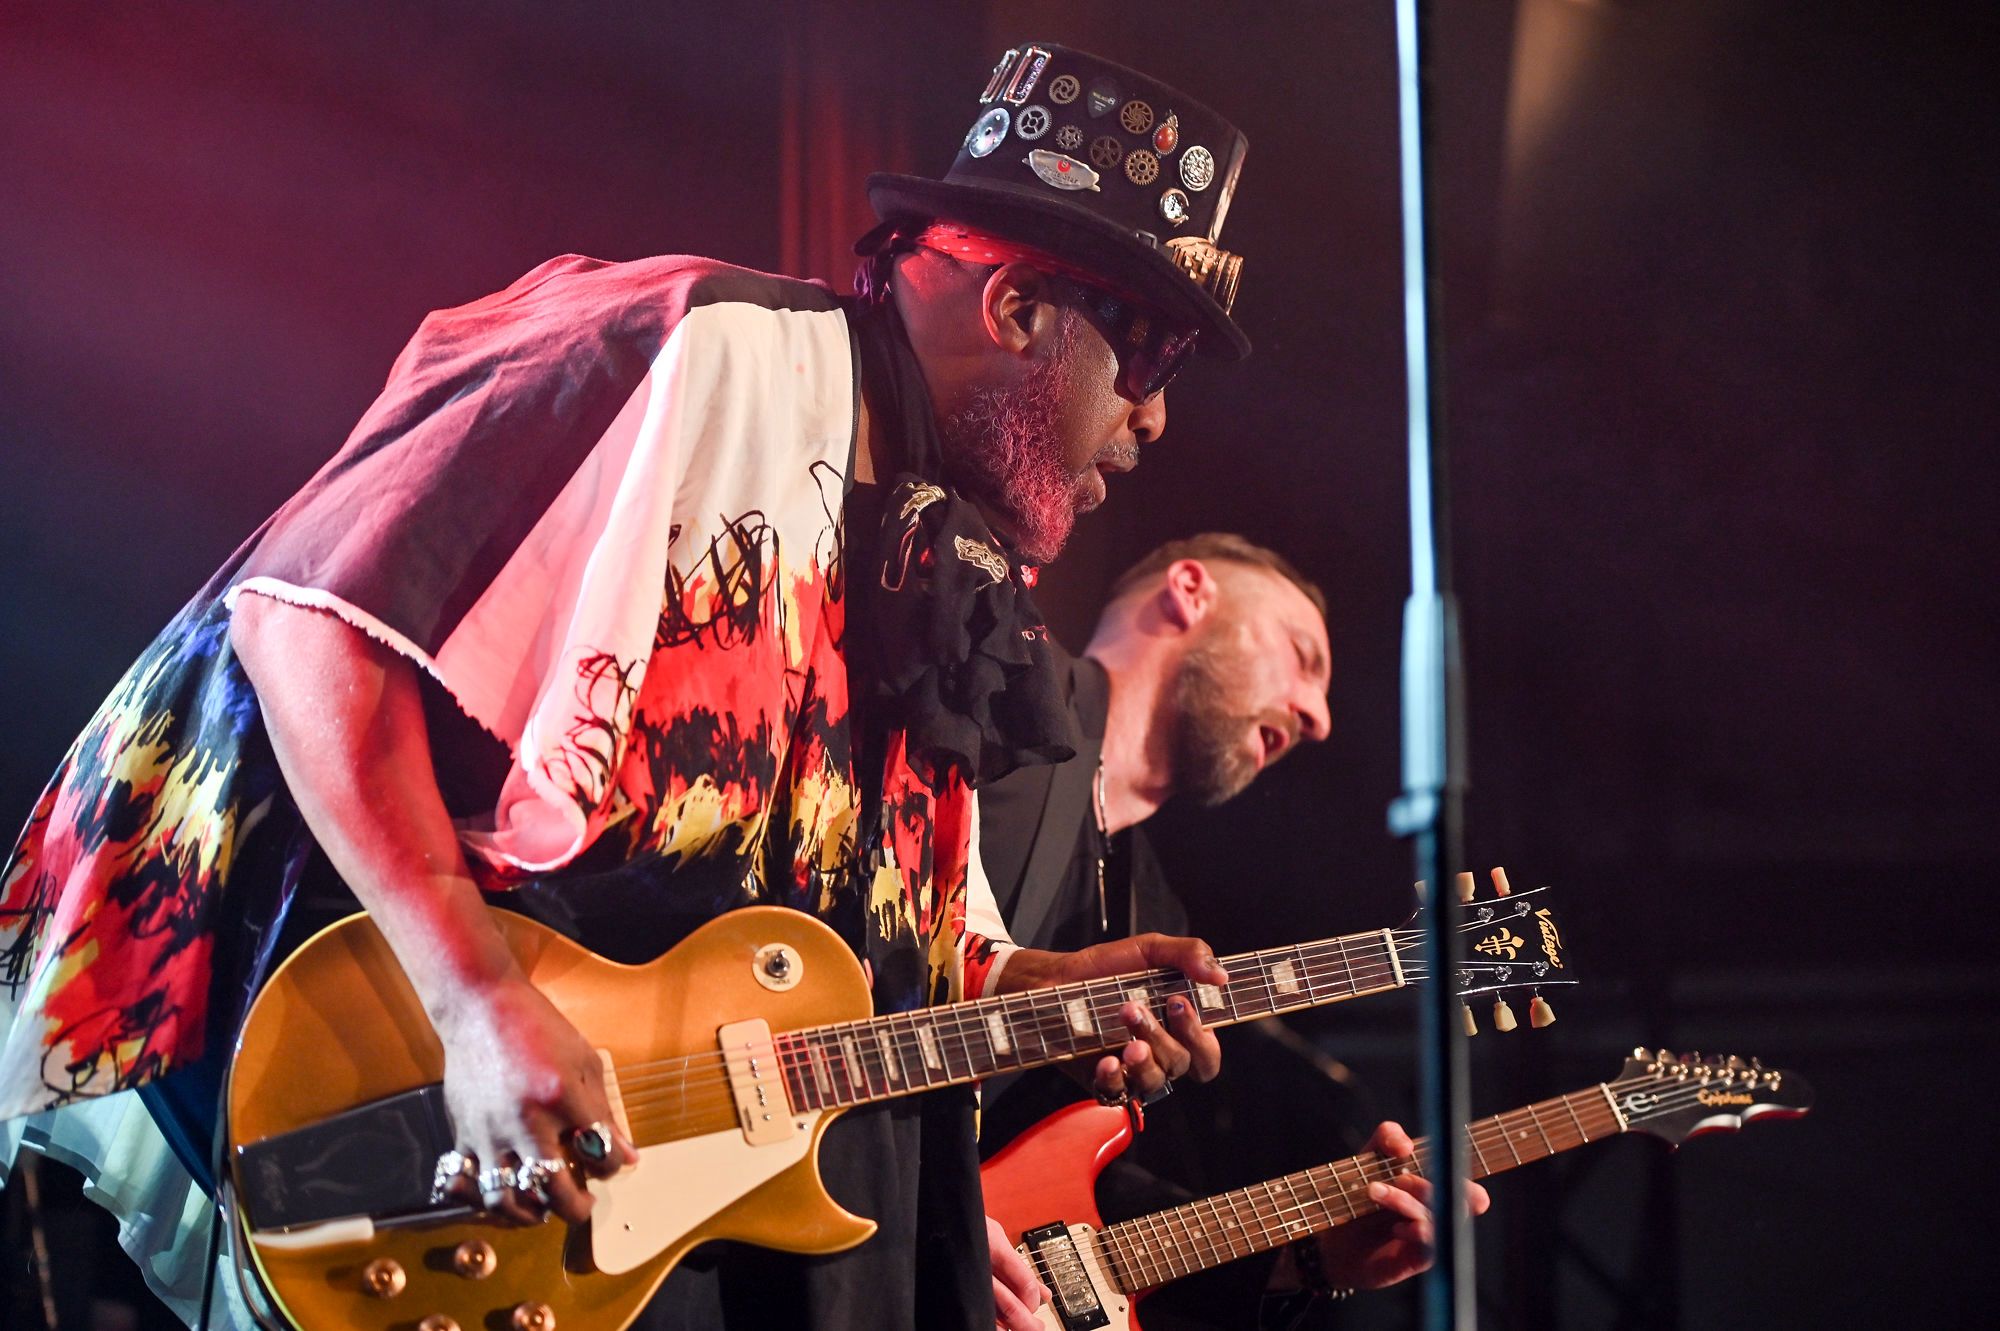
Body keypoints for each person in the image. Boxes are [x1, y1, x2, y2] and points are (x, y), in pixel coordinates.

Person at [0, 42, 1257, 1331]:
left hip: (678, 1206)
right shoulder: (693, 343)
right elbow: (305, 619)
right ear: (1016, 311)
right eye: (1145, 357)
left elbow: (828, 909)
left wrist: (1018, 988)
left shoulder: (949, 552)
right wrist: (477, 1001)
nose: (1150, 421)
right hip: (393, 1098)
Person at [973, 534, 1489, 1331]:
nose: (1318, 717)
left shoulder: (1160, 924)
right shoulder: (993, 691)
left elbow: (1096, 1209)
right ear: (1190, 589)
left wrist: (1310, 1252)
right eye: (1301, 654)